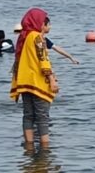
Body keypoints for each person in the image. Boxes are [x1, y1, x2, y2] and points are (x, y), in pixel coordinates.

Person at [9, 8, 59, 148]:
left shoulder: (23, 36)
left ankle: (29, 146)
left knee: (28, 115)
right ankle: (45, 147)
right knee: (43, 117)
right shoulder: (37, 37)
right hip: (37, 82)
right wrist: (52, 79)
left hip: (24, 82)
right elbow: (43, 59)